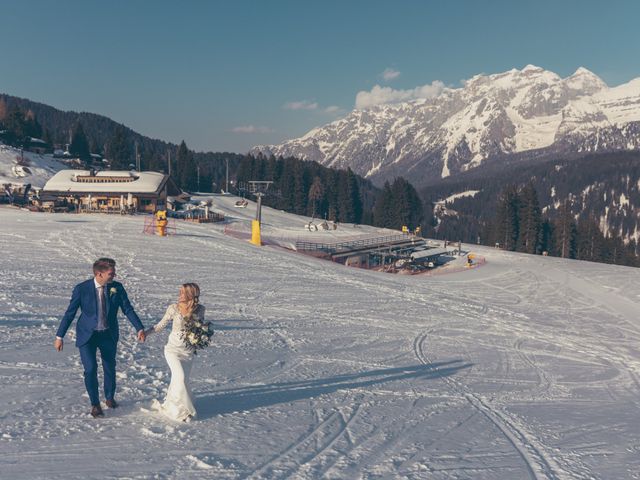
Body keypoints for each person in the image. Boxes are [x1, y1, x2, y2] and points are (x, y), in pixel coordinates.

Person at [55, 258, 146, 418]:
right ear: (99, 274)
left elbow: (127, 309)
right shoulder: (82, 289)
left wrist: (139, 328)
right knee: (90, 369)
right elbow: (70, 313)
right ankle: (95, 404)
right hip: (87, 335)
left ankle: (109, 397)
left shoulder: (117, 288)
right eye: (111, 273)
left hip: (108, 334)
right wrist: (59, 336)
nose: (114, 275)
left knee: (109, 367)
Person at [145, 283, 204, 422]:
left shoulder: (200, 309)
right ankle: (182, 412)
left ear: (191, 295)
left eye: (183, 293)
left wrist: (201, 337)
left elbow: (200, 328)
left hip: (188, 351)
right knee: (181, 376)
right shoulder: (173, 308)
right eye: (180, 292)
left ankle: (175, 406)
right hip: (172, 349)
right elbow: (160, 326)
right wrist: (146, 333)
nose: (180, 295)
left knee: (181, 380)